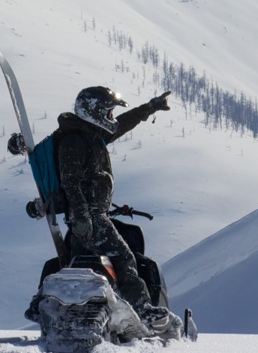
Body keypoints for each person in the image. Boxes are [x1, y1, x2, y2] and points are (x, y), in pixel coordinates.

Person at [53, 85, 173, 325]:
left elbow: (123, 123)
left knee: (82, 265)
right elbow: (70, 182)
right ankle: (144, 311)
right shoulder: (76, 141)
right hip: (90, 216)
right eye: (108, 112)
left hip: (91, 214)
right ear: (93, 111)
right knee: (124, 257)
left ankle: (100, 310)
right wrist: (83, 215)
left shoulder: (90, 135)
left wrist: (149, 108)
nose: (111, 118)